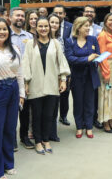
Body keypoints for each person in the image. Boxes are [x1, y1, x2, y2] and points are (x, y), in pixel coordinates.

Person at [23, 17, 70, 154]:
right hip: (35, 84)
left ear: (49, 28)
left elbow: (61, 63)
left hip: (52, 84)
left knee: (49, 115)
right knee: (36, 115)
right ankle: (38, 141)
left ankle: (46, 139)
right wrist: (26, 83)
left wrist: (63, 80)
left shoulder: (55, 43)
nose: (43, 29)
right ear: (36, 28)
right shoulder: (30, 44)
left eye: (46, 26)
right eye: (40, 26)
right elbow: (26, 64)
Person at [0, 18, 25, 179]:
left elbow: (20, 71)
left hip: (13, 89)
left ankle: (9, 163)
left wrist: (22, 93)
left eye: (4, 29)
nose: (2, 32)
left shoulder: (14, 48)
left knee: (10, 129)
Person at [65, 17, 101, 138]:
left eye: (89, 26)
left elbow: (98, 54)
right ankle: (79, 127)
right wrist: (87, 59)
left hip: (91, 75)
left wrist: (97, 58)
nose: (88, 28)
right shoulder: (70, 41)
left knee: (90, 102)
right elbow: (70, 58)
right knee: (78, 102)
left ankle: (89, 127)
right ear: (78, 27)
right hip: (76, 76)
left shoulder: (93, 39)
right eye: (85, 26)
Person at [9, 7, 35, 149]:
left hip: (26, 78)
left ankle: (24, 137)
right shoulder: (5, 34)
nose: (20, 18)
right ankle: (11, 139)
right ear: (10, 17)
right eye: (17, 15)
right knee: (11, 112)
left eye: (22, 16)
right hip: (10, 78)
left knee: (25, 111)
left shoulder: (29, 36)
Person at [53, 4, 73, 126]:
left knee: (65, 93)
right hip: (53, 65)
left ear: (65, 14)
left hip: (66, 64)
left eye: (61, 13)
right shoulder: (49, 26)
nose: (59, 15)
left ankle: (63, 116)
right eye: (56, 13)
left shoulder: (70, 27)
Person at [47, 13, 64, 142]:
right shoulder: (39, 39)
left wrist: (62, 77)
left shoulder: (60, 40)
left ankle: (53, 132)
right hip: (43, 76)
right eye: (52, 22)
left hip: (56, 76)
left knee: (54, 106)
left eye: (56, 23)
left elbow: (62, 60)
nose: (54, 25)